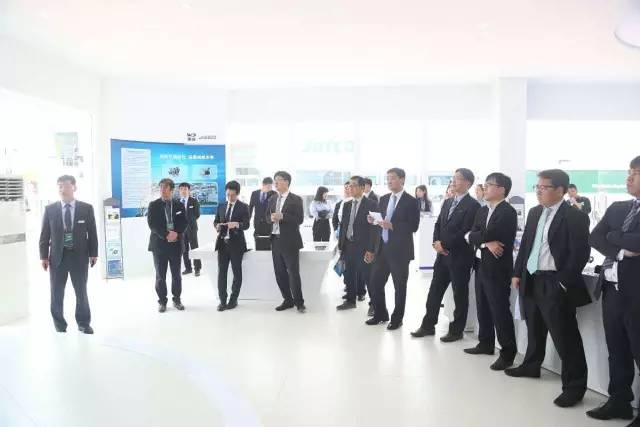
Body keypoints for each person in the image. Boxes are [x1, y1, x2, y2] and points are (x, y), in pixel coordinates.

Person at [506, 169, 591, 409]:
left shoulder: (575, 216)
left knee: (565, 337)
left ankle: (574, 387)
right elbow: (526, 245)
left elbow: (580, 253)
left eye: (544, 187)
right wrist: (517, 272)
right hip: (531, 278)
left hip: (555, 282)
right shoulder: (535, 212)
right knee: (534, 328)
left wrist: (563, 282)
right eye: (537, 187)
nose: (538, 191)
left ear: (560, 190)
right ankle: (531, 365)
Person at [586, 156, 640, 425]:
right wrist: (621, 249)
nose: (628, 178)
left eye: (636, 173)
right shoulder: (619, 207)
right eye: (628, 172)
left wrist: (614, 236)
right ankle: (619, 401)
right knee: (617, 349)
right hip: (612, 290)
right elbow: (595, 236)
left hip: (637, 293)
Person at [412, 168, 480, 342]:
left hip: (460, 257)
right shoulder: (448, 202)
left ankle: (456, 331)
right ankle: (428, 326)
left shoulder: (473, 206)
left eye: (458, 179)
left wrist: (445, 244)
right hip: (442, 257)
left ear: (468, 183)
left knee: (459, 295)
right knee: (434, 291)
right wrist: (436, 243)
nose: (453, 181)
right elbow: (438, 224)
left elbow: (466, 231)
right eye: (453, 178)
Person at [463, 173, 518, 371]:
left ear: (502, 189)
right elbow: (469, 234)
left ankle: (507, 353)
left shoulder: (507, 211)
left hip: (497, 267)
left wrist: (481, 238)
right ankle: (485, 343)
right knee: (483, 306)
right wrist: (486, 242)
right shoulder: (483, 210)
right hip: (480, 263)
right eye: (484, 184)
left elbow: (490, 233)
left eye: (489, 185)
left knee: (499, 310)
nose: (485, 188)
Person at [39, 175, 98, 334]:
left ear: (74, 187)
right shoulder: (50, 209)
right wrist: (43, 256)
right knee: (56, 293)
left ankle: (83, 323)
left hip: (79, 257)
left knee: (81, 292)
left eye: (65, 185)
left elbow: (92, 233)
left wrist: (93, 253)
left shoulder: (86, 208)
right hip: (57, 258)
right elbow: (44, 235)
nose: (62, 189)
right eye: (59, 186)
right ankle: (59, 325)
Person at [366, 167, 420, 330]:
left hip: (400, 252)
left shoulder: (411, 201)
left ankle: (397, 319)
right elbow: (380, 221)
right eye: (388, 178)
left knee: (399, 287)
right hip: (382, 249)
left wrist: (393, 225)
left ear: (402, 179)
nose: (389, 181)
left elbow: (414, 226)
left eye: (393, 178)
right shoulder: (383, 199)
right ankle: (381, 314)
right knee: (375, 283)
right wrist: (373, 220)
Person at [336, 176, 378, 310]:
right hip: (348, 245)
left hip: (364, 247)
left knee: (368, 276)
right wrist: (341, 245)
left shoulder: (371, 204)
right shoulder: (347, 204)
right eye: (349, 185)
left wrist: (371, 249)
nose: (350, 188)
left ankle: (374, 304)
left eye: (354, 185)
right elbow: (343, 226)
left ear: (362, 187)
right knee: (349, 274)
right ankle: (350, 301)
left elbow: (374, 229)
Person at [267, 171, 306, 312]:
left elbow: (299, 219)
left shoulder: (296, 199)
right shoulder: (272, 198)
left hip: (290, 242)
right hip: (275, 240)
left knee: (293, 273)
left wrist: (283, 216)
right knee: (280, 273)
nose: (275, 183)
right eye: (274, 180)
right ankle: (287, 300)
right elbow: (266, 217)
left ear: (286, 182)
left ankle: (299, 303)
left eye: (278, 179)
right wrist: (271, 218)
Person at [147, 178, 188, 313]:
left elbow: (184, 222)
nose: (162, 190)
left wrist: (176, 233)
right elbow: (152, 224)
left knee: (176, 275)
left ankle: (177, 300)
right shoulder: (153, 205)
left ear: (171, 190)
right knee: (160, 275)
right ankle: (162, 301)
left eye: (165, 188)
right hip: (159, 246)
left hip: (175, 245)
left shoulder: (179, 205)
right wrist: (166, 234)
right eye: (161, 187)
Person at [214, 181, 250, 311]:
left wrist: (237, 224)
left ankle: (233, 300)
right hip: (222, 244)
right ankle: (222, 301)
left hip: (237, 245)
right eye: (228, 195)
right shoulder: (221, 206)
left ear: (237, 194)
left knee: (236, 272)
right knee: (221, 273)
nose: (230, 197)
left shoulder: (244, 207)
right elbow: (216, 221)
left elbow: (246, 225)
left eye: (233, 195)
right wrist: (217, 226)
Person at [178, 182, 202, 276]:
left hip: (192, 228)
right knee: (184, 249)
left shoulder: (194, 201)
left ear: (189, 190)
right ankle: (188, 268)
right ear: (179, 191)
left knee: (194, 248)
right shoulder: (177, 202)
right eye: (181, 189)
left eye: (185, 189)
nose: (183, 191)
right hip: (181, 230)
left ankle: (197, 268)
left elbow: (197, 214)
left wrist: (189, 222)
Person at [249, 177, 277, 249]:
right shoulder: (255, 193)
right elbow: (250, 207)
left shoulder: (274, 194)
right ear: (263, 185)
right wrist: (247, 220)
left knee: (269, 244)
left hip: (269, 223)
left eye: (271, 187)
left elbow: (276, 209)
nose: (269, 189)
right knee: (258, 243)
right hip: (257, 222)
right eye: (268, 186)